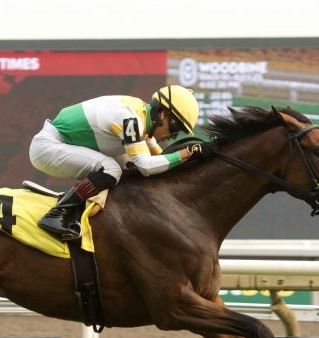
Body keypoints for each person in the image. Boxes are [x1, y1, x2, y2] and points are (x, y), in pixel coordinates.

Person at [29, 85, 215, 241]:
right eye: (176, 127)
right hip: (48, 147)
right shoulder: (130, 119)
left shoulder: (140, 115)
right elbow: (147, 166)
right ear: (162, 114)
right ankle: (57, 214)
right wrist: (188, 152)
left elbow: (158, 156)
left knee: (128, 168)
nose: (173, 136)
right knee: (111, 169)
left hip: (59, 142)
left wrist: (186, 160)